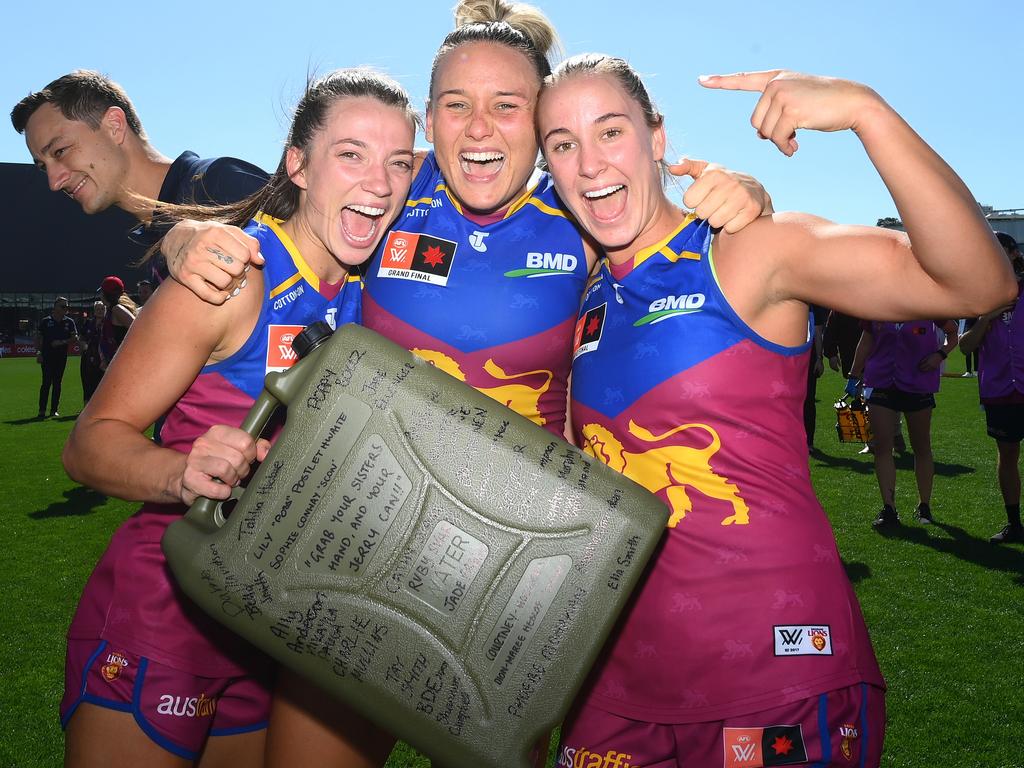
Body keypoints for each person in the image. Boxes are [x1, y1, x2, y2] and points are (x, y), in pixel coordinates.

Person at [158, 4, 773, 766]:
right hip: (355, 541)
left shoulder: (582, 210)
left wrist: (745, 197)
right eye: (457, 106)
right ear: (430, 120)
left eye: (507, 106)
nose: (480, 129)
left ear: (538, 119)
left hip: (520, 577)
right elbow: (274, 206)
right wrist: (184, 233)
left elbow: (673, 230)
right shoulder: (387, 189)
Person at [536, 55, 1014, 768]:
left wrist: (865, 112)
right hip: (616, 686)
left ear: (657, 138)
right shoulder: (587, 293)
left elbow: (978, 283)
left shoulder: (748, 250)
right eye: (563, 144)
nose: (590, 163)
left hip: (774, 673)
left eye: (610, 131)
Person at [59, 68, 418, 768]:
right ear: (299, 166)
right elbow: (89, 445)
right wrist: (179, 471)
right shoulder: (236, 275)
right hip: (166, 616)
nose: (379, 181)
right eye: (351, 154)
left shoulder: (376, 300)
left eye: (398, 162)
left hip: (271, 630)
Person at [11, 70, 269, 290]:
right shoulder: (150, 240)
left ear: (114, 125)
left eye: (60, 151)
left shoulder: (221, 185)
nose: (54, 182)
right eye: (44, 167)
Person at [850, 318, 958, 527]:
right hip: (882, 381)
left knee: (921, 446)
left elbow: (953, 334)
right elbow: (866, 339)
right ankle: (889, 508)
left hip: (918, 382)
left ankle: (924, 506)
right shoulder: (878, 305)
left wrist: (940, 355)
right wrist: (853, 375)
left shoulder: (929, 305)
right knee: (882, 447)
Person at [959, 231, 1024, 543]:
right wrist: (986, 319)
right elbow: (965, 347)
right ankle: (1014, 522)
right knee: (1008, 452)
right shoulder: (979, 297)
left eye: (1001, 250)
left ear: (1012, 254)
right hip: (1000, 389)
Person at [35, 296, 78, 418]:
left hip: (61, 357)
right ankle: (41, 410)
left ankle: (54, 410)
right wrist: (38, 352)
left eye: (66, 306)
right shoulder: (45, 321)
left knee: (57, 383)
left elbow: (75, 338)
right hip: (47, 357)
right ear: (55, 307)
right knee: (46, 383)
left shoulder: (69, 322)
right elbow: (38, 338)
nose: (66, 308)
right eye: (63, 306)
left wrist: (62, 342)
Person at [96, 275, 138, 370]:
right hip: (114, 363)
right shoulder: (111, 309)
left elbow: (137, 329)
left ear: (105, 294)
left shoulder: (117, 309)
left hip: (122, 364)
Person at [79, 300, 106, 403]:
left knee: (102, 383)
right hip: (88, 357)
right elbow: (81, 338)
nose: (100, 311)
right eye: (98, 309)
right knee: (87, 382)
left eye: (102, 309)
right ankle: (86, 407)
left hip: (103, 357)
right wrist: (84, 346)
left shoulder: (109, 323)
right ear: (94, 311)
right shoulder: (88, 323)